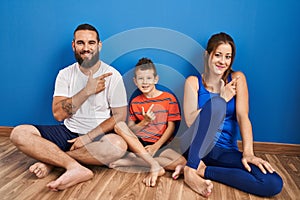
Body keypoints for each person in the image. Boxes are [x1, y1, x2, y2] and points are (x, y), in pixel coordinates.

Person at [9, 23, 128, 191]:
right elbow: (58, 115)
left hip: (98, 136)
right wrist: (87, 90)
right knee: (19, 133)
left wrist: (86, 139)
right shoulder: (65, 74)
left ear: (99, 45)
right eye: (80, 43)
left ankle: (53, 162)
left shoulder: (113, 75)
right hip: (68, 132)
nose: (86, 48)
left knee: (118, 145)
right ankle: (74, 166)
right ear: (73, 45)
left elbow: (120, 116)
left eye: (91, 43)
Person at [182, 32, 283, 197]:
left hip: (225, 151)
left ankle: (202, 170)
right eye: (218, 55)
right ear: (207, 55)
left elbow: (243, 117)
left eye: (227, 57)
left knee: (272, 183)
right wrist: (221, 99)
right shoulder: (193, 82)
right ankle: (191, 167)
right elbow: (191, 121)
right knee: (212, 108)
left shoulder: (237, 79)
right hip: (197, 148)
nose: (223, 61)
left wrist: (248, 153)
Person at [110, 58, 186, 187]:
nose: (145, 82)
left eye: (149, 78)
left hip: (161, 144)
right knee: (119, 126)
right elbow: (130, 130)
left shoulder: (169, 98)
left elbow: (171, 127)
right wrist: (144, 122)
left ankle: (135, 161)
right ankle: (152, 163)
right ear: (135, 81)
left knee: (182, 163)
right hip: (139, 144)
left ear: (156, 79)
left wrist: (156, 146)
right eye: (140, 78)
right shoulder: (135, 102)